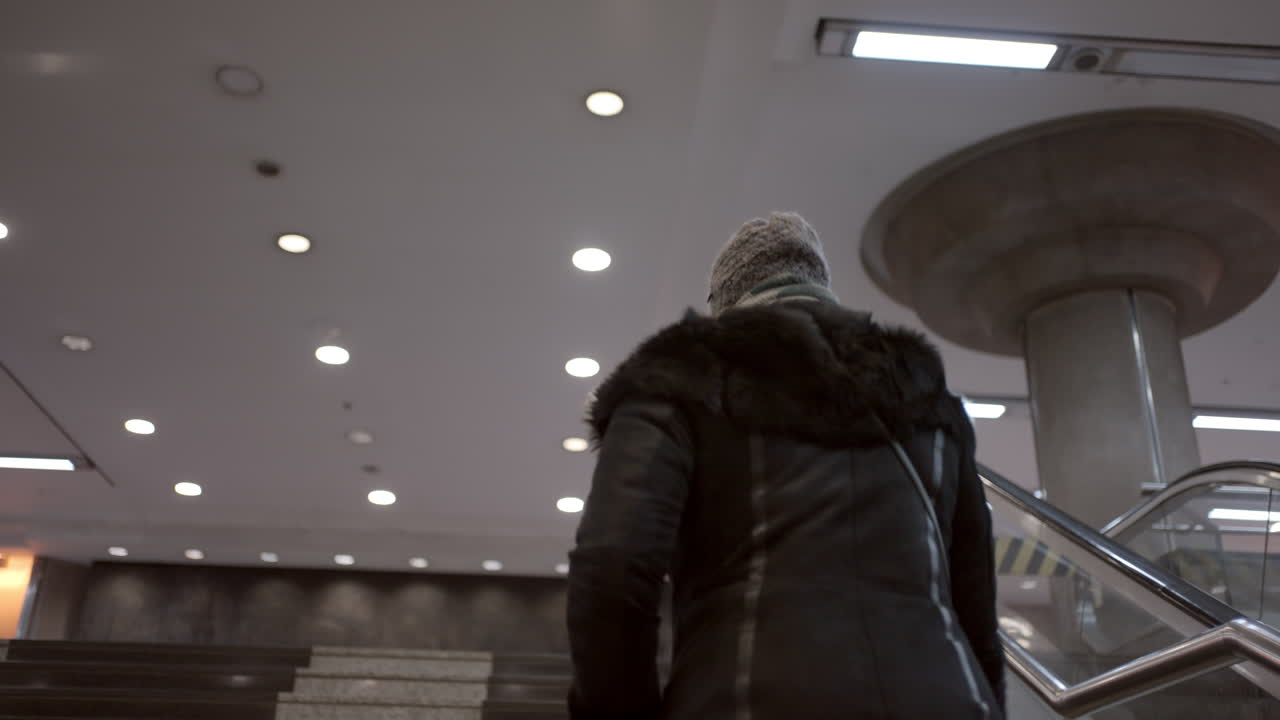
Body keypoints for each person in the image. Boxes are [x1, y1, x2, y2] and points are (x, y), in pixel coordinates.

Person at [566, 213, 1004, 719]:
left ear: (723, 304)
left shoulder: (678, 377)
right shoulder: (927, 395)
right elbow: (975, 601)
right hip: (949, 697)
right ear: (819, 284)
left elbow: (613, 566)